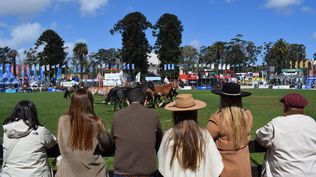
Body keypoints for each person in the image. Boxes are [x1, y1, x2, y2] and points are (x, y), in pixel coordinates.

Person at [158, 94, 223, 177]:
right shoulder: (204, 136)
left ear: (175, 114)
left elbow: (162, 166)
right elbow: (216, 167)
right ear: (194, 113)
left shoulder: (168, 136)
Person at [256, 93, 316, 177]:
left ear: (286, 106)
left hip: (282, 174)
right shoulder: (312, 123)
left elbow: (260, 136)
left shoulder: (277, 123)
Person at [55, 88, 111, 177]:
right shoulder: (96, 122)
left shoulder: (62, 120)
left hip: (67, 172)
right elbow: (106, 144)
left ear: (72, 103)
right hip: (94, 172)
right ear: (90, 103)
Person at [110, 87, 163, 177]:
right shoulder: (153, 115)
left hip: (122, 171)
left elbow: (113, 141)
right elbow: (159, 139)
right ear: (145, 102)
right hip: (147, 171)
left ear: (127, 102)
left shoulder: (117, 115)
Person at [207, 83, 253, 177]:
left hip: (225, 172)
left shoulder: (217, 119)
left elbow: (205, 141)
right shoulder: (247, 115)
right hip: (245, 170)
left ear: (223, 99)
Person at [1, 101, 56, 177]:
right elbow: (52, 142)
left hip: (9, 174)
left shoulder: (7, 131)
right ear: (33, 114)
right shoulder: (40, 131)